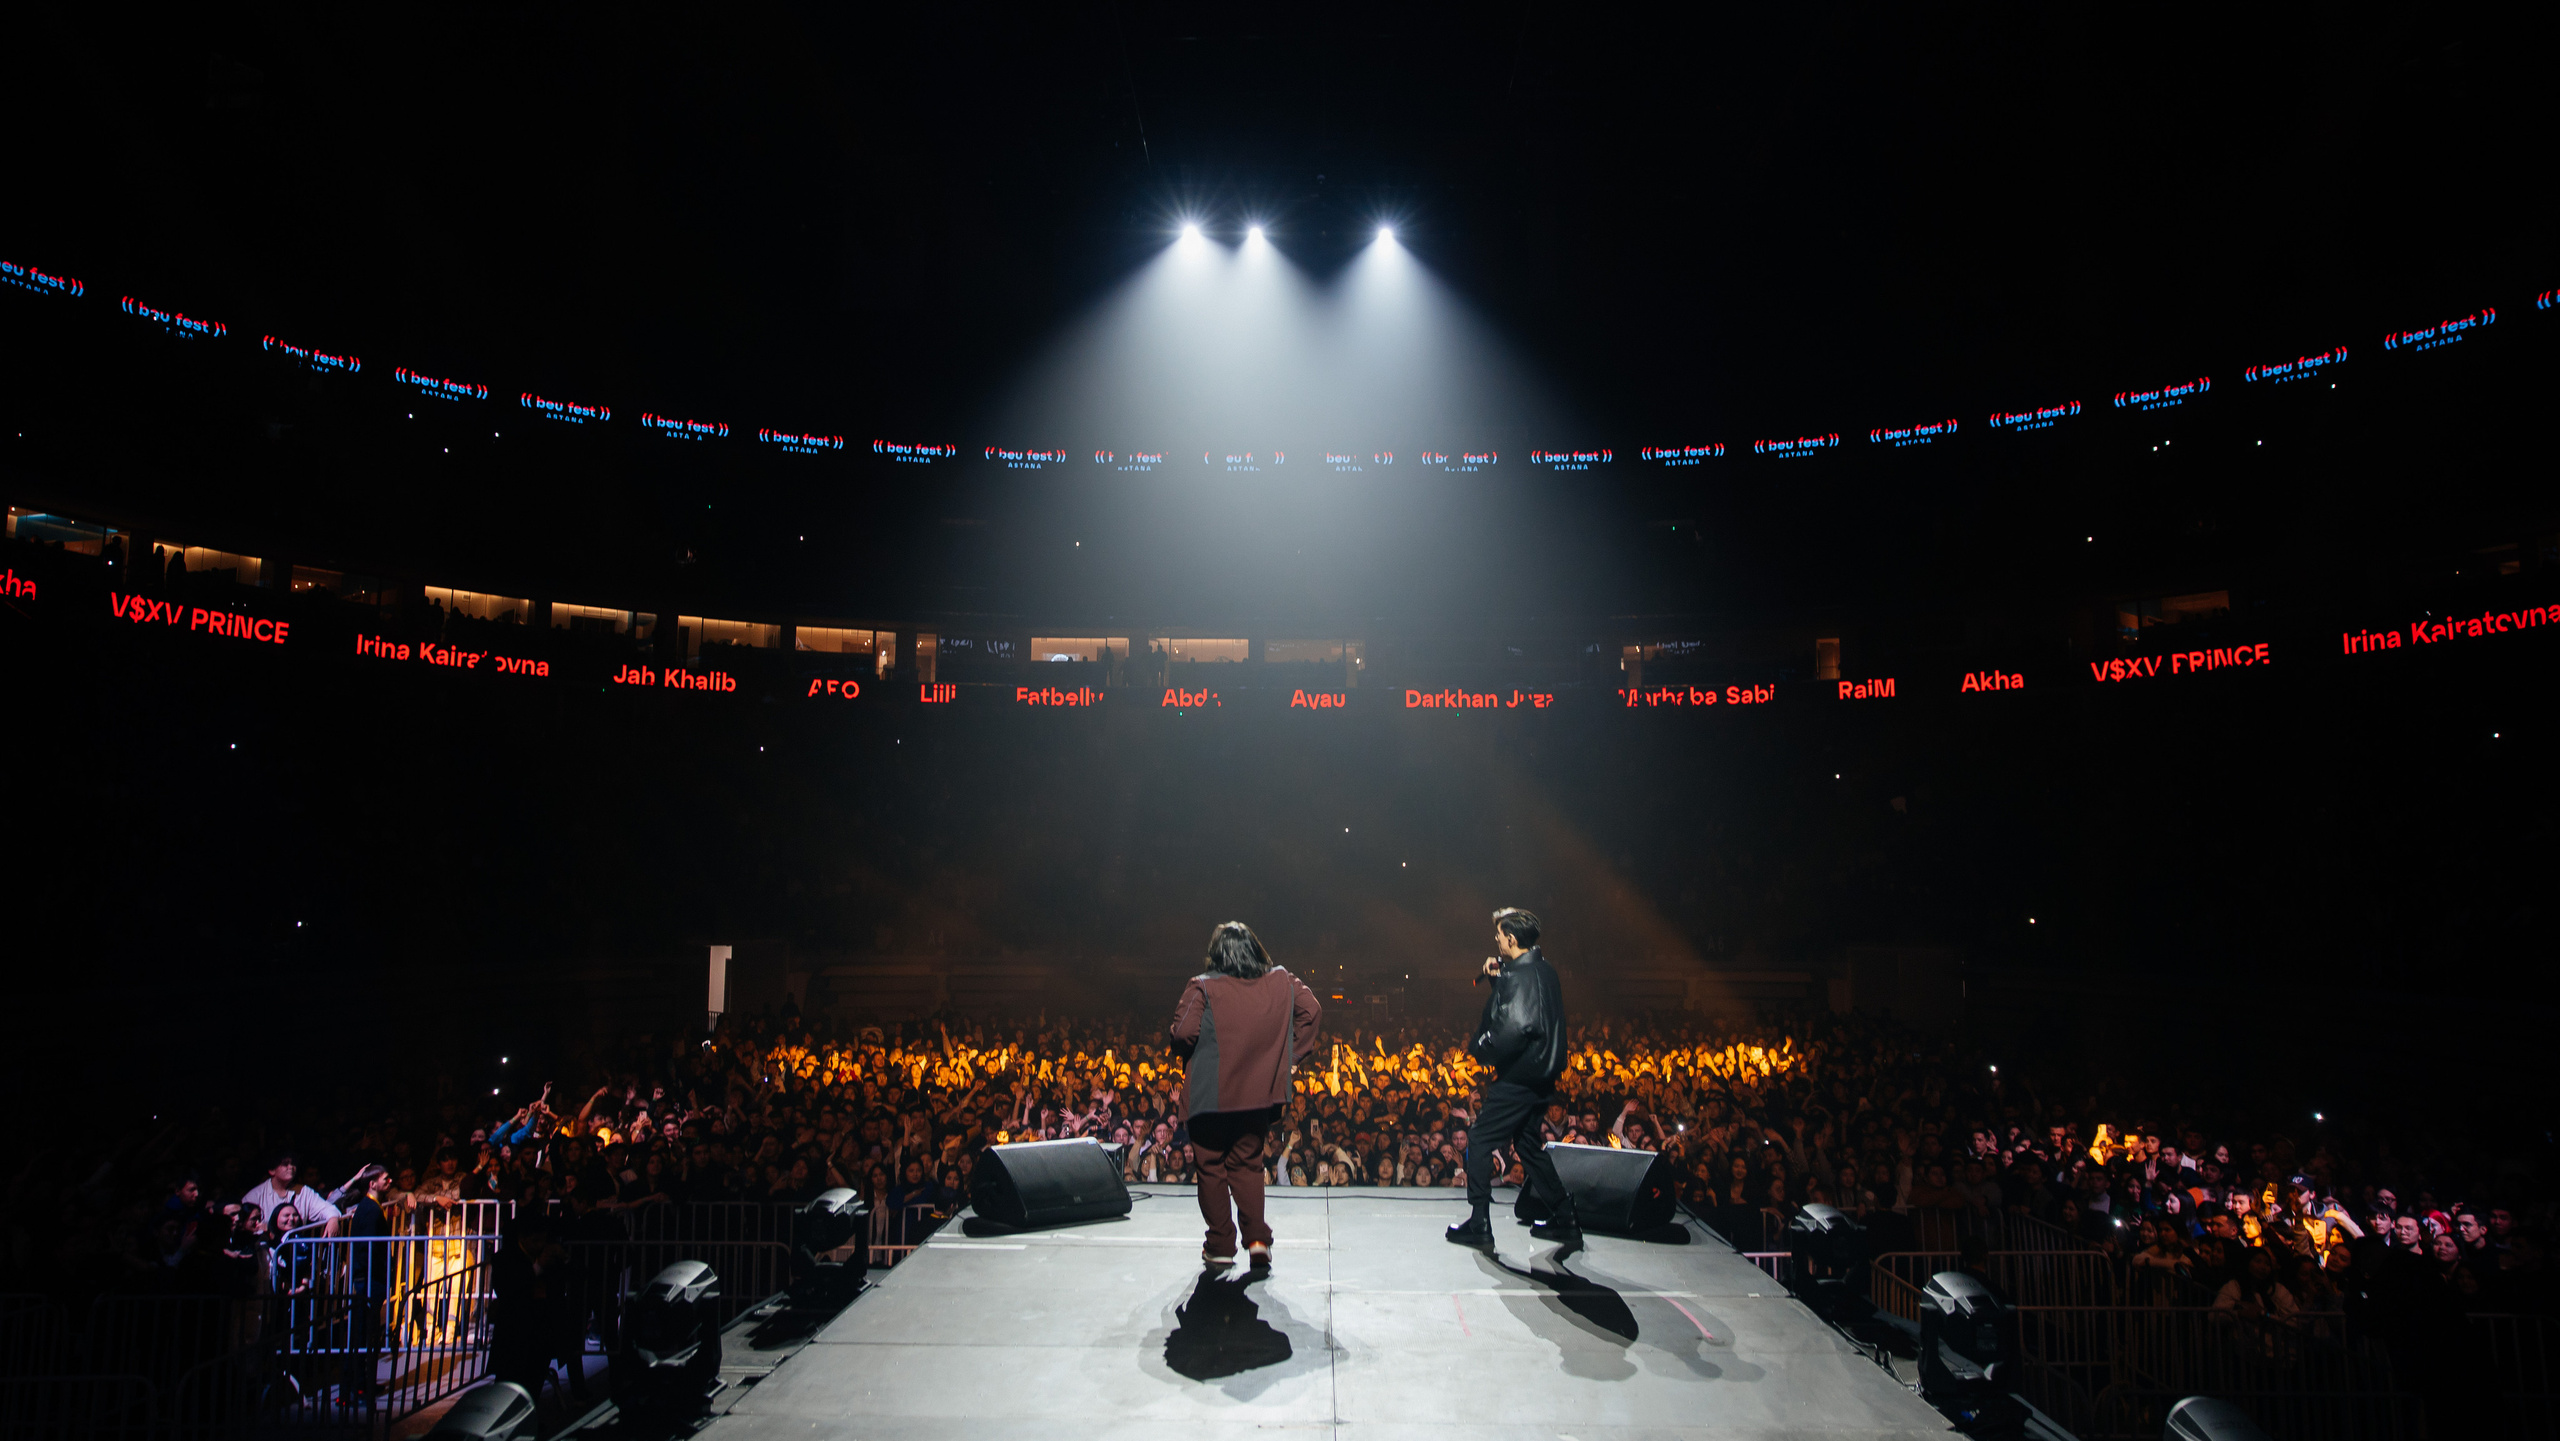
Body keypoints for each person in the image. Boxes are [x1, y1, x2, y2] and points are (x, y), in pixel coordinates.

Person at [1169, 921, 1322, 1267]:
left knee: (1211, 1168)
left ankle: (1221, 1245)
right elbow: (1311, 1012)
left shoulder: (1202, 987)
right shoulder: (1282, 981)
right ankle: (1256, 1240)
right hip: (1256, 1096)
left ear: (1217, 954)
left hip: (1209, 1097)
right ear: (1255, 948)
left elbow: (1181, 1034)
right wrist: (1290, 1056)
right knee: (1248, 1166)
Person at [1446, 907, 1578, 1252]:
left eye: (1500, 934)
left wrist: (1482, 1049)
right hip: (1541, 1076)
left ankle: (1480, 1223)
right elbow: (1527, 1005)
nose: (1496, 939)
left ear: (1513, 939)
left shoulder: (1520, 978)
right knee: (1528, 1144)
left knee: (1478, 1139)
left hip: (1519, 1076)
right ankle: (1565, 1217)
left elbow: (1516, 1025)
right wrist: (1499, 977)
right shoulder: (1544, 971)